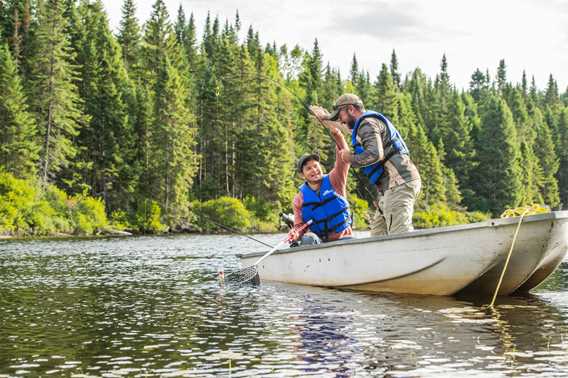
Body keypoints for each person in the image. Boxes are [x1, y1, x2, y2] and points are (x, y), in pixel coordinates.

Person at [311, 93, 421, 236]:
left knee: (399, 235)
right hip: (391, 187)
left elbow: (375, 154)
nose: (341, 120)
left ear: (351, 109)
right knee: (377, 237)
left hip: (399, 183)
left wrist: (349, 158)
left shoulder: (367, 123)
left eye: (341, 115)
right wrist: (325, 119)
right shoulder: (363, 124)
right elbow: (346, 129)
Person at [289, 126, 353, 244]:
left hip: (345, 238)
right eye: (308, 168)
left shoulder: (335, 179)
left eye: (316, 166)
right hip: (320, 243)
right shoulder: (299, 199)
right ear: (302, 175)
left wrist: (338, 136)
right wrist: (296, 233)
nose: (314, 170)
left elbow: (343, 158)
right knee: (307, 239)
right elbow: (299, 226)